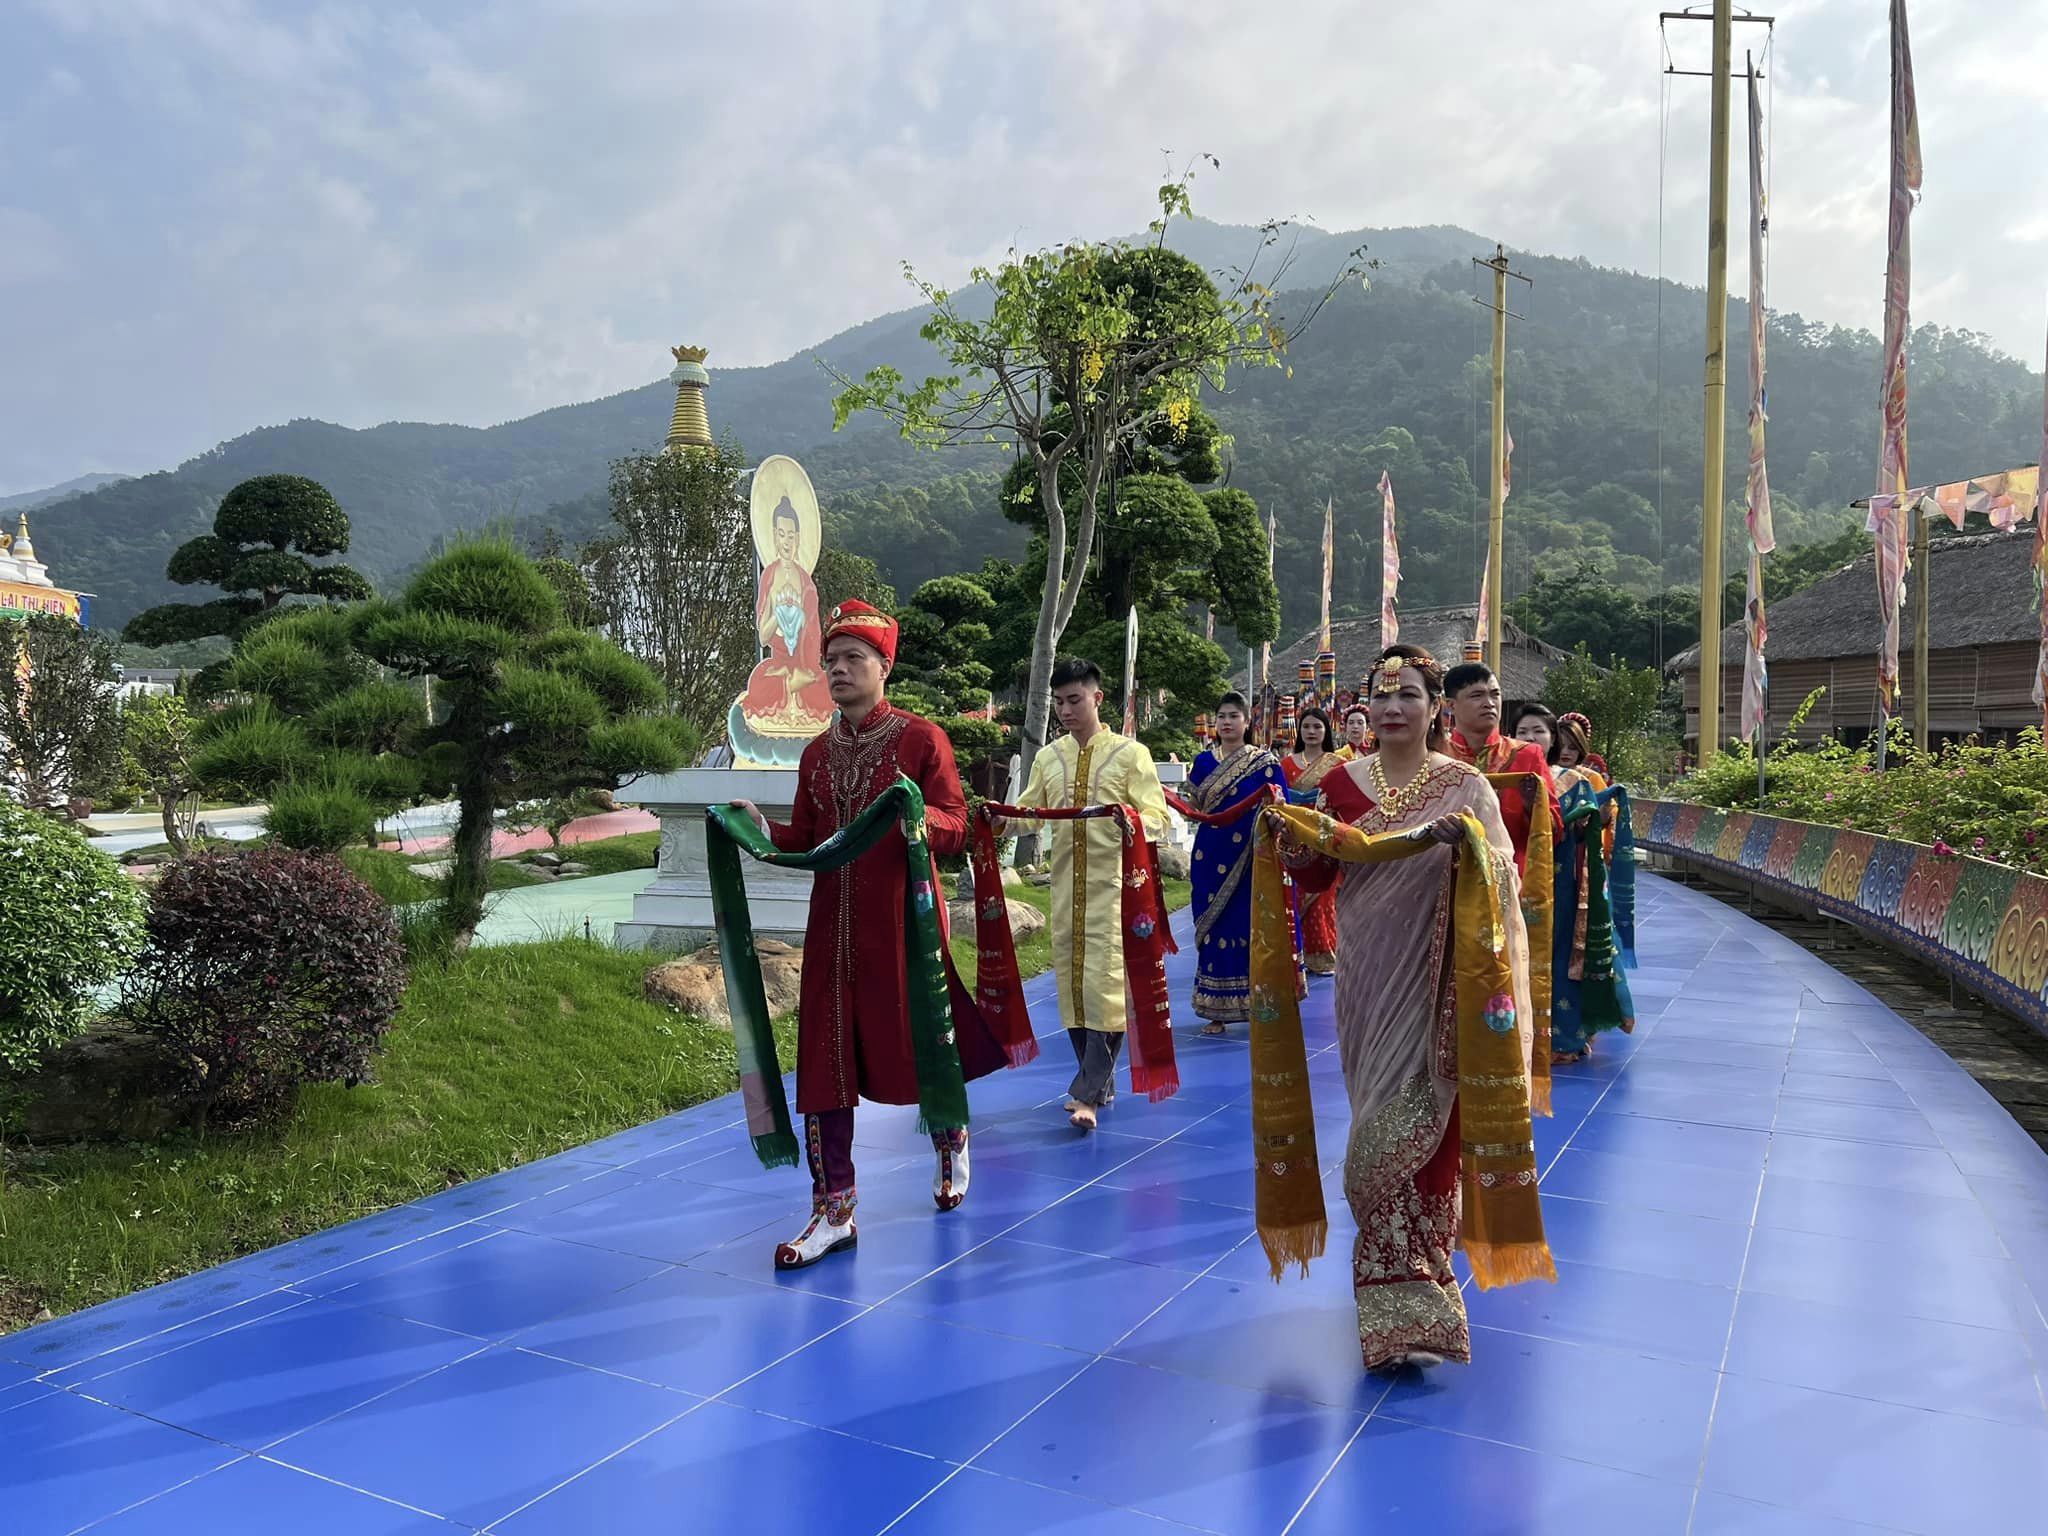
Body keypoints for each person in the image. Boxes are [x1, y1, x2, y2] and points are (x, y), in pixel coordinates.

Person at [730, 600, 1008, 1269]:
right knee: (825, 1059)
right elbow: (807, 836)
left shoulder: (922, 740)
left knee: (921, 1041)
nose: (838, 670)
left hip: (904, 923)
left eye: (853, 658)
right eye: (830, 660)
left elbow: (956, 824)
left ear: (885, 666)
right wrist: (761, 829)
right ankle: (835, 1211)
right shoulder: (816, 755)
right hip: (832, 928)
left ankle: (949, 1136)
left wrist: (918, 815)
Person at [1282, 644, 1536, 1372]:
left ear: (1435, 708)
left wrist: (1472, 845)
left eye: (1411, 696)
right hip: (1367, 975)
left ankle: (1416, 1301)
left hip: (1438, 981)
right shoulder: (1341, 781)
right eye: (1383, 696)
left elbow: (1507, 879)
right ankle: (1391, 1297)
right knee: (1372, 1117)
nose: (1394, 708)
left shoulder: (1464, 786)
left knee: (1430, 1127)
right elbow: (1317, 873)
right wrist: (1292, 841)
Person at [997, 657, 1170, 1130]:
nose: (1066, 710)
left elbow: (1158, 818)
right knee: (1073, 991)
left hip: (1114, 894)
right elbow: (1030, 813)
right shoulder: (1049, 758)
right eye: (1059, 702)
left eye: (1074, 700)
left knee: (1106, 989)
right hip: (1064, 891)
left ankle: (1086, 1094)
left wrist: (1129, 820)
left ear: (1098, 697)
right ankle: (1100, 1083)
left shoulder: (1131, 755)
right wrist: (1001, 820)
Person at [1187, 691, 1289, 1034]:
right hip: (1209, 853)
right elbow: (1193, 807)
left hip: (1250, 858)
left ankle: (1259, 1004)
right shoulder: (1203, 762)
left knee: (1249, 927)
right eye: (1222, 716)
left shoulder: (1265, 763)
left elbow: (1282, 806)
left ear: (1247, 722)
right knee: (1212, 927)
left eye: (1234, 716)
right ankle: (1216, 1009)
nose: (1227, 722)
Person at [1546, 712, 1635, 1061]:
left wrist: (1590, 815)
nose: (1566, 751)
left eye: (1574, 746)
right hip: (1547, 870)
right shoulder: (1539, 775)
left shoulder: (1589, 779)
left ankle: (1578, 1028)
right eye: (1561, 744)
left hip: (1581, 870)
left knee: (1580, 949)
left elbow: (1605, 821)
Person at [1442, 661, 1559, 875]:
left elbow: (1556, 831)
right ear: (1450, 705)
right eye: (1477, 696)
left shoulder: (1527, 755)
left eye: (1495, 694)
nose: (1489, 703)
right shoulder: (1435, 756)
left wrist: (1533, 806)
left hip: (1511, 876)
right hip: (1444, 874)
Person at [740, 496, 834, 727]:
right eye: (782, 534)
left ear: (798, 538)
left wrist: (799, 614)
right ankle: (791, 686)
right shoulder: (769, 576)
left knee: (824, 684)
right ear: (774, 535)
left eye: (791, 536)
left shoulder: (806, 582)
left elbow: (812, 635)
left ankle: (796, 686)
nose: (786, 542)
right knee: (759, 684)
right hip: (778, 665)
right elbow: (763, 637)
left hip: (803, 664)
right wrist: (778, 612)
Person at [1280, 708, 1349, 976]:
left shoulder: (1337, 764)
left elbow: (1342, 800)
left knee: (1322, 899)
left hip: (1323, 837)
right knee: (1292, 895)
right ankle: (1294, 954)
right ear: (1299, 731)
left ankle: (1323, 954)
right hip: (1291, 835)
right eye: (1307, 726)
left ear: (1326, 731)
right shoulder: (1286, 764)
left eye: (1317, 727)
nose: (1311, 731)